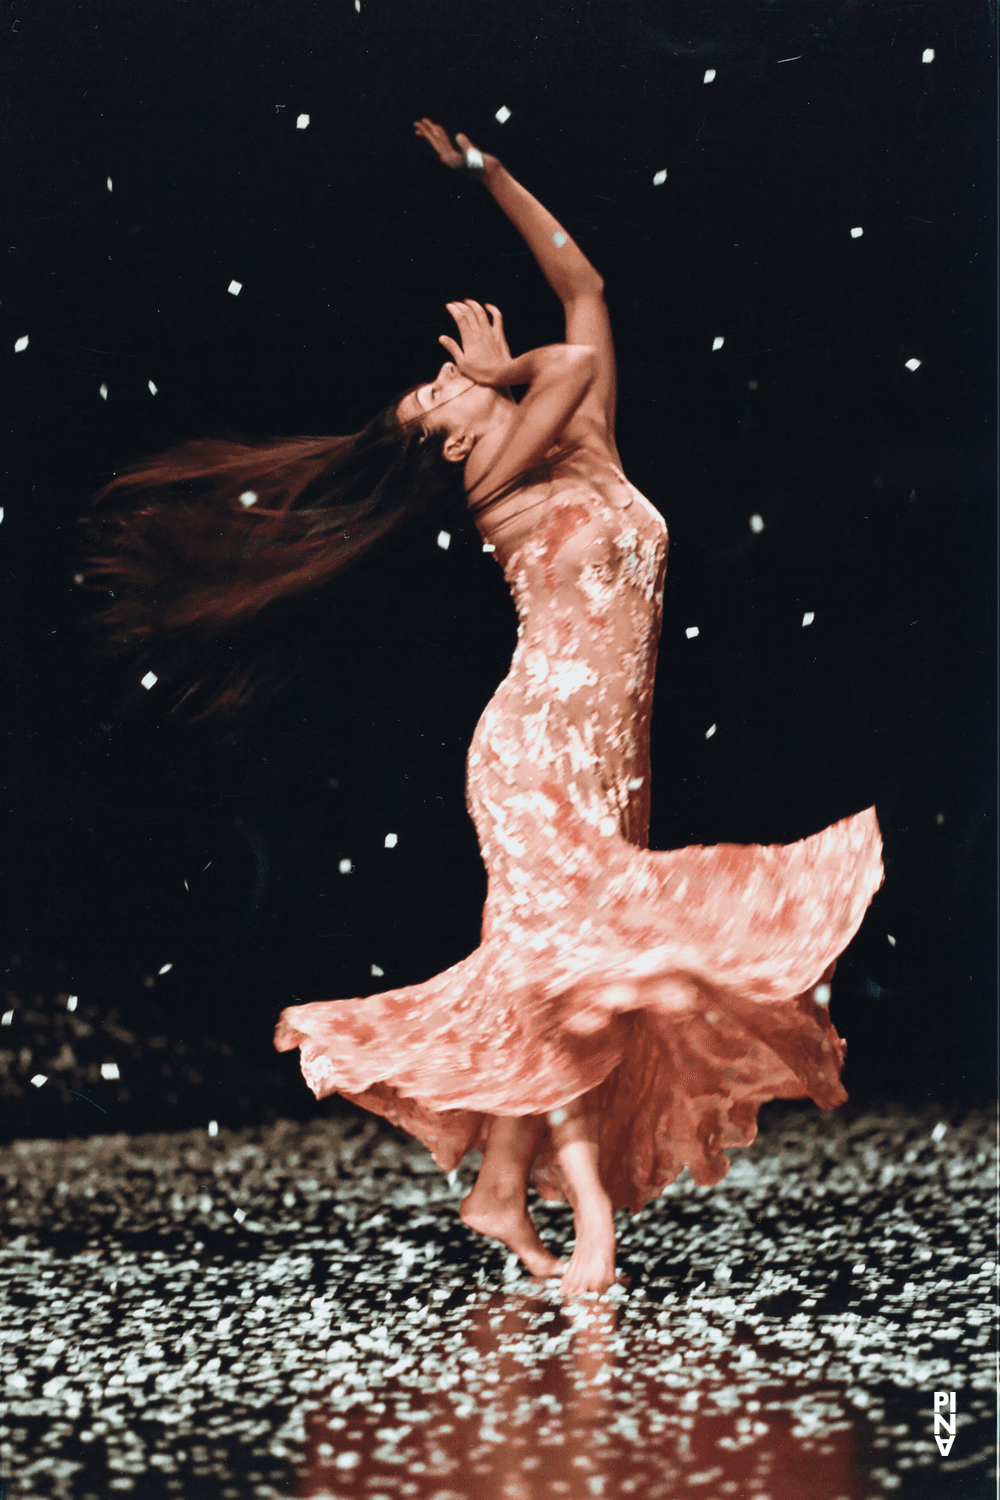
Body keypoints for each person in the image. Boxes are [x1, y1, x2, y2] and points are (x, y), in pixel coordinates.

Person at [77, 120, 884, 1298]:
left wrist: (488, 177)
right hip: (533, 750)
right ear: (449, 435)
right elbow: (557, 363)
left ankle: (502, 1190)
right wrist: (503, 372)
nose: (446, 376)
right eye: (435, 392)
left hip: (609, 755)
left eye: (445, 375)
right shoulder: (494, 476)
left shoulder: (585, 449)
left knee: (560, 981)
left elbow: (585, 290)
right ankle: (591, 1237)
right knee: (571, 977)